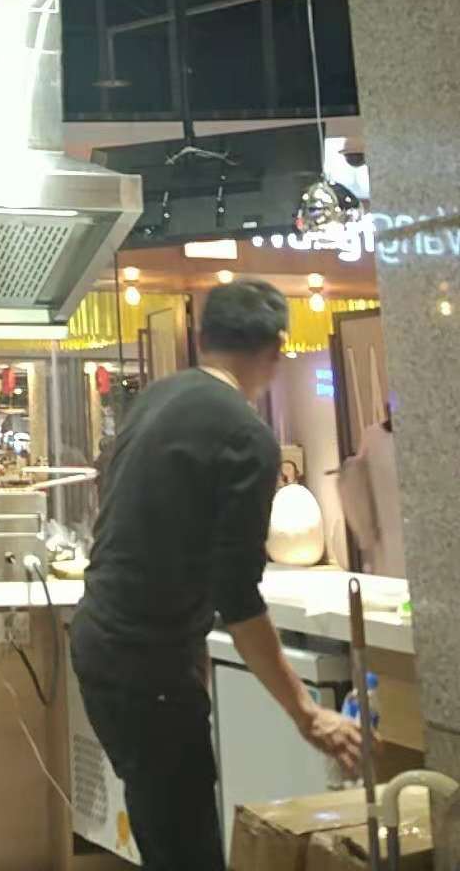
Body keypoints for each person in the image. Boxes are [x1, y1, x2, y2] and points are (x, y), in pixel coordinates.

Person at [71, 280, 363, 871]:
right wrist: (307, 713)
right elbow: (237, 597)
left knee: (165, 830)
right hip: (146, 659)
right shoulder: (246, 436)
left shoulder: (158, 398)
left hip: (101, 641)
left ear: (202, 339)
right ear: (276, 349)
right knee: (187, 847)